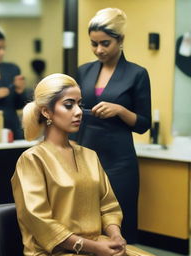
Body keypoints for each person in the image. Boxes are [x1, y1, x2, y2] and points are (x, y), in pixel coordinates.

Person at [11, 74, 155, 256]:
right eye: (69, 105)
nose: (78, 111)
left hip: (98, 246)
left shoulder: (89, 155)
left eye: (80, 104)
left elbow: (108, 206)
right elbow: (40, 222)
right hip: (56, 251)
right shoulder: (32, 160)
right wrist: (93, 247)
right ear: (46, 111)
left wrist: (115, 236)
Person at [72, 8, 151, 244]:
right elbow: (73, 112)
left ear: (120, 40)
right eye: (94, 44)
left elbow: (143, 124)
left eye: (105, 43)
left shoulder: (137, 74)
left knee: (119, 226)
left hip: (119, 162)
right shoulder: (84, 71)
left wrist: (121, 110)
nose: (99, 50)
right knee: (86, 224)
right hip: (86, 159)